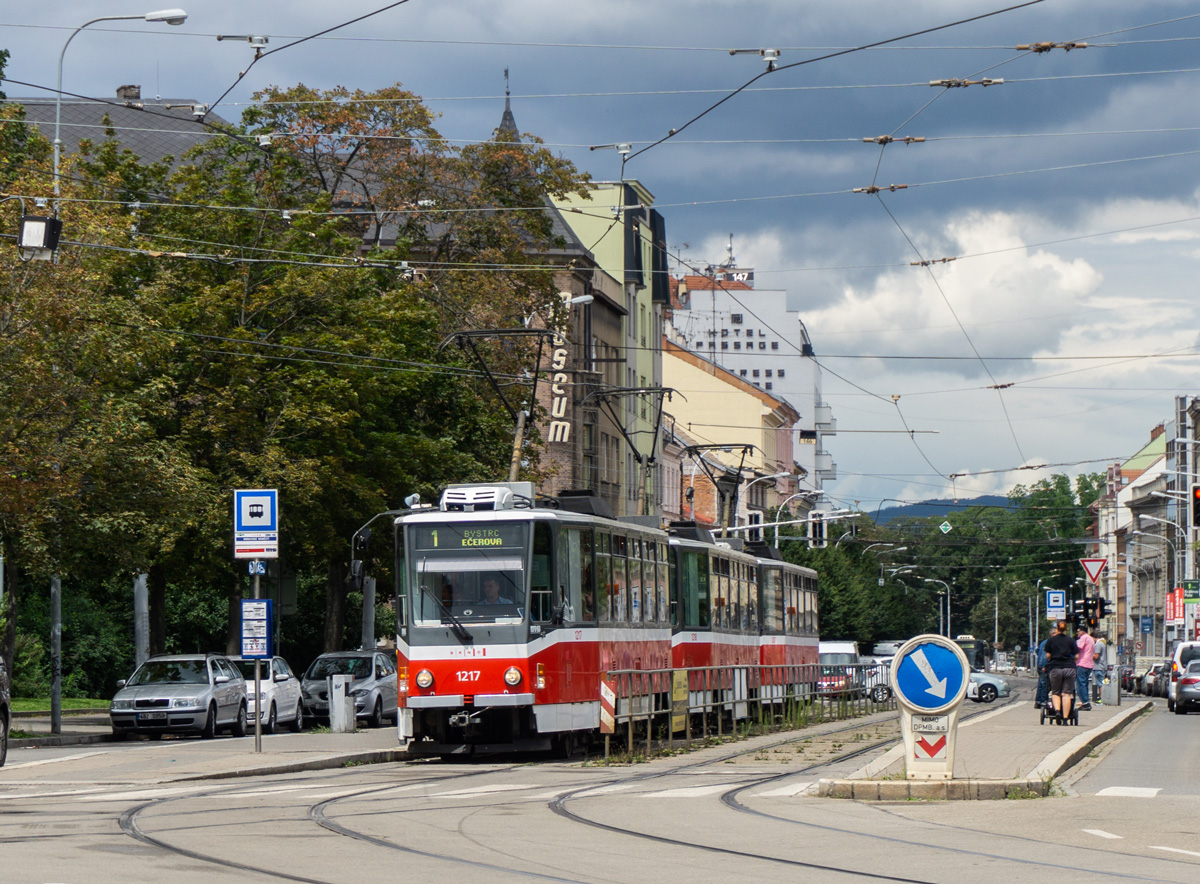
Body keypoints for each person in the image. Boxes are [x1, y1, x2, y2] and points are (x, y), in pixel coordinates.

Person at [1045, 620, 1079, 722]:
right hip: (1069, 668)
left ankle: (1058, 711)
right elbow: (1077, 656)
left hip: (1055, 668)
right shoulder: (1071, 640)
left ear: (1057, 629)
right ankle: (1065, 718)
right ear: (1065, 629)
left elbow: (1048, 655)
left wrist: (1052, 659)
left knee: (1055, 692)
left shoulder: (1051, 640)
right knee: (1066, 694)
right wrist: (1071, 660)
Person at [1075, 623, 1096, 711]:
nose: (1077, 633)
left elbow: (1077, 649)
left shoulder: (1083, 638)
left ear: (1082, 631)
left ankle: (1085, 702)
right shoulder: (1091, 639)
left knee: (1081, 684)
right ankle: (1085, 701)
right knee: (1085, 683)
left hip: (1082, 663)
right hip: (1089, 663)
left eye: (1078, 631)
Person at [1092, 633, 1109, 704]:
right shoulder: (1103, 643)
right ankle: (1104, 698)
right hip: (1103, 666)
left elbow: (1096, 656)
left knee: (1100, 684)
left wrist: (1089, 655)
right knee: (1104, 683)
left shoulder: (1098, 645)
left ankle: (1102, 699)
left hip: (1099, 667)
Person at [1034, 635, 1050, 709]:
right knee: (1045, 684)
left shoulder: (1043, 642)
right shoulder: (1051, 643)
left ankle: (1038, 701)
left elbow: (1037, 651)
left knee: (1041, 683)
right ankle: (1043, 701)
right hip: (1045, 665)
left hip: (1040, 665)